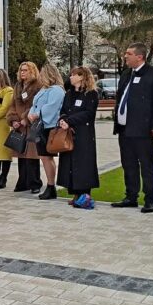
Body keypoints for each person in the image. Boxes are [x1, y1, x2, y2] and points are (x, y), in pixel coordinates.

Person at [111, 43, 153, 213]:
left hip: (144, 129)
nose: (125, 56)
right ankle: (131, 196)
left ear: (139, 56)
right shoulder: (126, 74)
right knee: (128, 164)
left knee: (147, 165)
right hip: (124, 129)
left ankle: (150, 199)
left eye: (128, 54)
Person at [57, 67, 100, 207]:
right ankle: (75, 193)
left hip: (83, 134)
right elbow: (63, 110)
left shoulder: (91, 94)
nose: (70, 77)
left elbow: (88, 113)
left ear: (82, 77)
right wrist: (63, 120)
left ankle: (85, 194)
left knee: (83, 163)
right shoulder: (69, 93)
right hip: (69, 133)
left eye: (73, 75)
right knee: (70, 163)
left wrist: (70, 121)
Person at [28, 63, 66, 200]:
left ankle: (51, 186)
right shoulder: (44, 89)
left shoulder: (57, 90)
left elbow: (52, 107)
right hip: (40, 125)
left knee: (46, 156)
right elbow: (35, 104)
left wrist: (37, 114)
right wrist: (31, 113)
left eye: (43, 73)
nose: (40, 76)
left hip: (49, 126)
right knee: (43, 157)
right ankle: (50, 186)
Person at [8, 62, 43, 194]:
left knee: (32, 156)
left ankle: (35, 183)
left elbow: (37, 105)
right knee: (21, 155)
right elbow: (12, 105)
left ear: (32, 71)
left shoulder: (38, 85)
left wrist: (25, 119)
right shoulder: (18, 85)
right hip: (19, 126)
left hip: (31, 124)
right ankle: (23, 182)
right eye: (21, 70)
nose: (22, 72)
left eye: (25, 70)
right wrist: (13, 120)